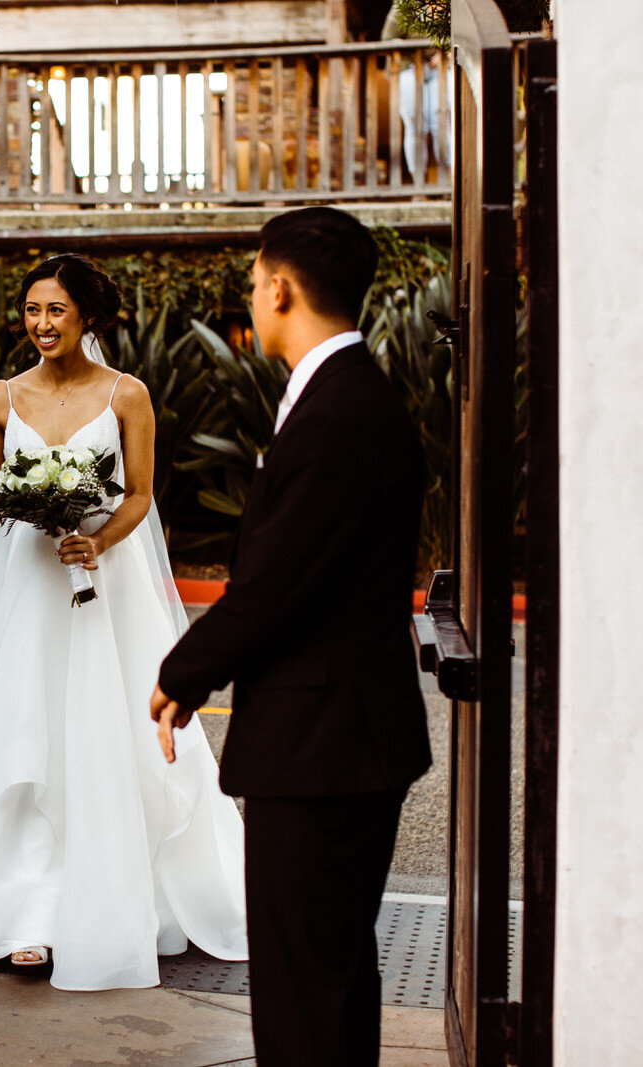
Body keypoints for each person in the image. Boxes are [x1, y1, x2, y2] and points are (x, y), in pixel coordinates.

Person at [0, 253, 247, 990]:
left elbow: (141, 495)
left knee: (101, 738)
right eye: (32, 311)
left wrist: (99, 541)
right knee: (20, 733)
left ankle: (106, 897)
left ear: (86, 317)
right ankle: (20, 909)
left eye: (56, 311)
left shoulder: (128, 395)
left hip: (102, 585)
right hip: (23, 587)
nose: (42, 325)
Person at [151, 206, 432, 1065]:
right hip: (341, 739)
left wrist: (183, 671)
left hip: (324, 747)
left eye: (253, 280)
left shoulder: (339, 411)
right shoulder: (349, 395)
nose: (251, 294)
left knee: (304, 981)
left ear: (280, 288)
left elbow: (275, 584)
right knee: (329, 973)